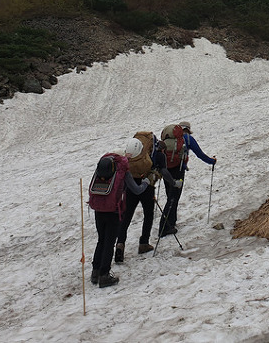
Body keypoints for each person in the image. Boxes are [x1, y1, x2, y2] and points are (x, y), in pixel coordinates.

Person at [88, 151, 149, 288]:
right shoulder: (122, 171)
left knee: (101, 240)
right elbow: (137, 190)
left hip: (98, 210)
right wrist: (145, 183)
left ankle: (95, 272)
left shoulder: (101, 170)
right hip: (113, 212)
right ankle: (104, 275)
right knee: (109, 243)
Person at [115, 132, 176, 263]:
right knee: (148, 214)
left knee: (127, 216)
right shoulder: (159, 155)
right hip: (147, 185)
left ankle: (120, 244)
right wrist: (173, 182)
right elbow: (163, 171)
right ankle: (144, 243)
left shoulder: (138, 154)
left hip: (131, 184)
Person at [158, 121, 216, 237]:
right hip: (178, 170)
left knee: (170, 196)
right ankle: (164, 228)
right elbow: (200, 154)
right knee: (173, 198)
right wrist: (212, 161)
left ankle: (171, 222)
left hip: (165, 169)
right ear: (188, 129)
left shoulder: (168, 138)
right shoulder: (188, 139)